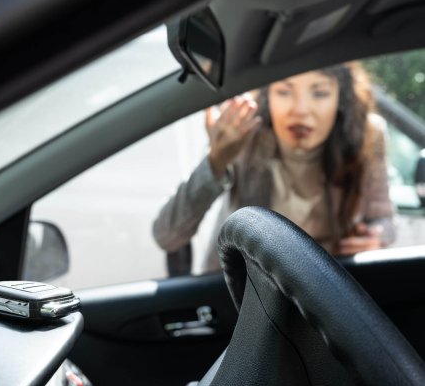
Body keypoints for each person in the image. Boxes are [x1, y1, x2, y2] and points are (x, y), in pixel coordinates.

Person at [153, 62, 396, 273]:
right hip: (245, 296)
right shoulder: (244, 135)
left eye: (320, 93)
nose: (300, 110)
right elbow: (168, 235)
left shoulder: (366, 137)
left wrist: (377, 237)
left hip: (328, 302)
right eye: (284, 91)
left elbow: (384, 219)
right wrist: (217, 160)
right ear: (268, 97)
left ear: (340, 98)